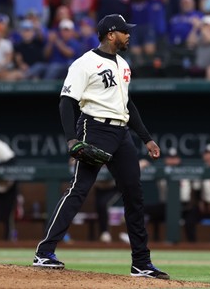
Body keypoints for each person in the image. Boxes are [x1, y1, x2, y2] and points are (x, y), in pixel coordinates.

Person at [33, 14, 169, 280]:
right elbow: (66, 101)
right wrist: (72, 138)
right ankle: (44, 252)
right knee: (79, 189)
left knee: (134, 194)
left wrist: (146, 138)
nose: (129, 35)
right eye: (124, 31)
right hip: (95, 128)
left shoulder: (123, 64)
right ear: (110, 34)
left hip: (121, 133)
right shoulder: (85, 63)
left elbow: (127, 105)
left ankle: (141, 263)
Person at [143, 147, 191, 242]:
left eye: (174, 158)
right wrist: (146, 163)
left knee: (191, 217)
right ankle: (152, 242)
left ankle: (192, 245)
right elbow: (149, 169)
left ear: (179, 159)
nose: (172, 161)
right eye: (170, 158)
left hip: (183, 206)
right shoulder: (161, 171)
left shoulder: (186, 171)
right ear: (166, 159)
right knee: (146, 211)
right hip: (165, 206)